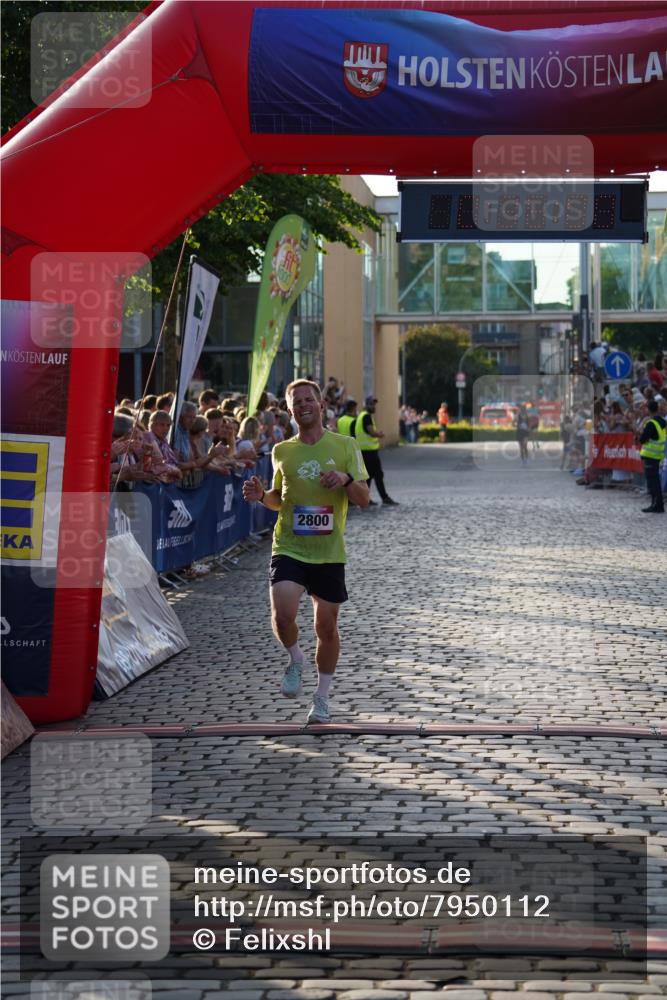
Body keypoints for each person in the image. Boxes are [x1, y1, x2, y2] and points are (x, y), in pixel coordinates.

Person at [242, 379, 369, 724]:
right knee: (283, 613)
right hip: (289, 545)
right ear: (290, 410)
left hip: (328, 551)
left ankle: (322, 698)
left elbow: (363, 498)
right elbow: (277, 499)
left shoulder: (345, 445)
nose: (303, 405)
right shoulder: (282, 451)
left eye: (308, 399)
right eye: (296, 402)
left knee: (325, 628)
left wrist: (344, 479)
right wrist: (261, 496)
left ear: (322, 404)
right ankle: (296, 658)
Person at [355, 395, 399, 506]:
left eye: (374, 404)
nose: (374, 406)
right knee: (378, 475)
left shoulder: (361, 415)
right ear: (366, 405)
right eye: (371, 404)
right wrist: (379, 434)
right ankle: (384, 497)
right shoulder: (366, 417)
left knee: (368, 476)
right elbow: (371, 432)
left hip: (364, 451)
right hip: (369, 452)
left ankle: (366, 499)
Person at [639, 399, 666, 513]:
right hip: (658, 455)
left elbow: (642, 439)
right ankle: (658, 504)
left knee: (652, 482)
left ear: (649, 410)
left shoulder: (651, 423)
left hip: (650, 456)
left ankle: (656, 505)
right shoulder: (662, 421)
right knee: (656, 481)